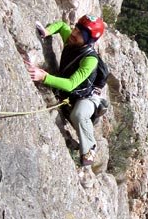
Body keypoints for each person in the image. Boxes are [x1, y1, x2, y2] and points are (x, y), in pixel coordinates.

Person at [26, 14, 106, 167]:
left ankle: (90, 148)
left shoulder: (90, 60)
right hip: (72, 95)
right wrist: (47, 31)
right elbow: (62, 26)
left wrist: (44, 77)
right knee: (72, 114)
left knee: (78, 115)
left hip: (86, 97)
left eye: (79, 34)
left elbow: (71, 84)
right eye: (76, 28)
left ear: (88, 40)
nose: (74, 33)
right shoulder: (72, 41)